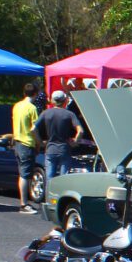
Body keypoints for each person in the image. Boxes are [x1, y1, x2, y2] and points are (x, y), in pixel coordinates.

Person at [36, 91, 83, 189]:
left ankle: (49, 198)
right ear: (65, 100)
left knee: (49, 177)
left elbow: (33, 129)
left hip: (50, 148)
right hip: (64, 149)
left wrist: (40, 142)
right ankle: (61, 198)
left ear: (53, 100)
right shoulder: (69, 114)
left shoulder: (46, 113)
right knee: (64, 178)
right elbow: (80, 131)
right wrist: (75, 141)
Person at [11, 81, 42, 214]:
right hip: (27, 142)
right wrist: (39, 142)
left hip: (17, 141)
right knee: (26, 175)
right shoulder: (32, 108)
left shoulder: (17, 106)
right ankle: (24, 204)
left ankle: (24, 202)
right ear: (35, 93)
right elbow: (34, 128)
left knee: (22, 174)